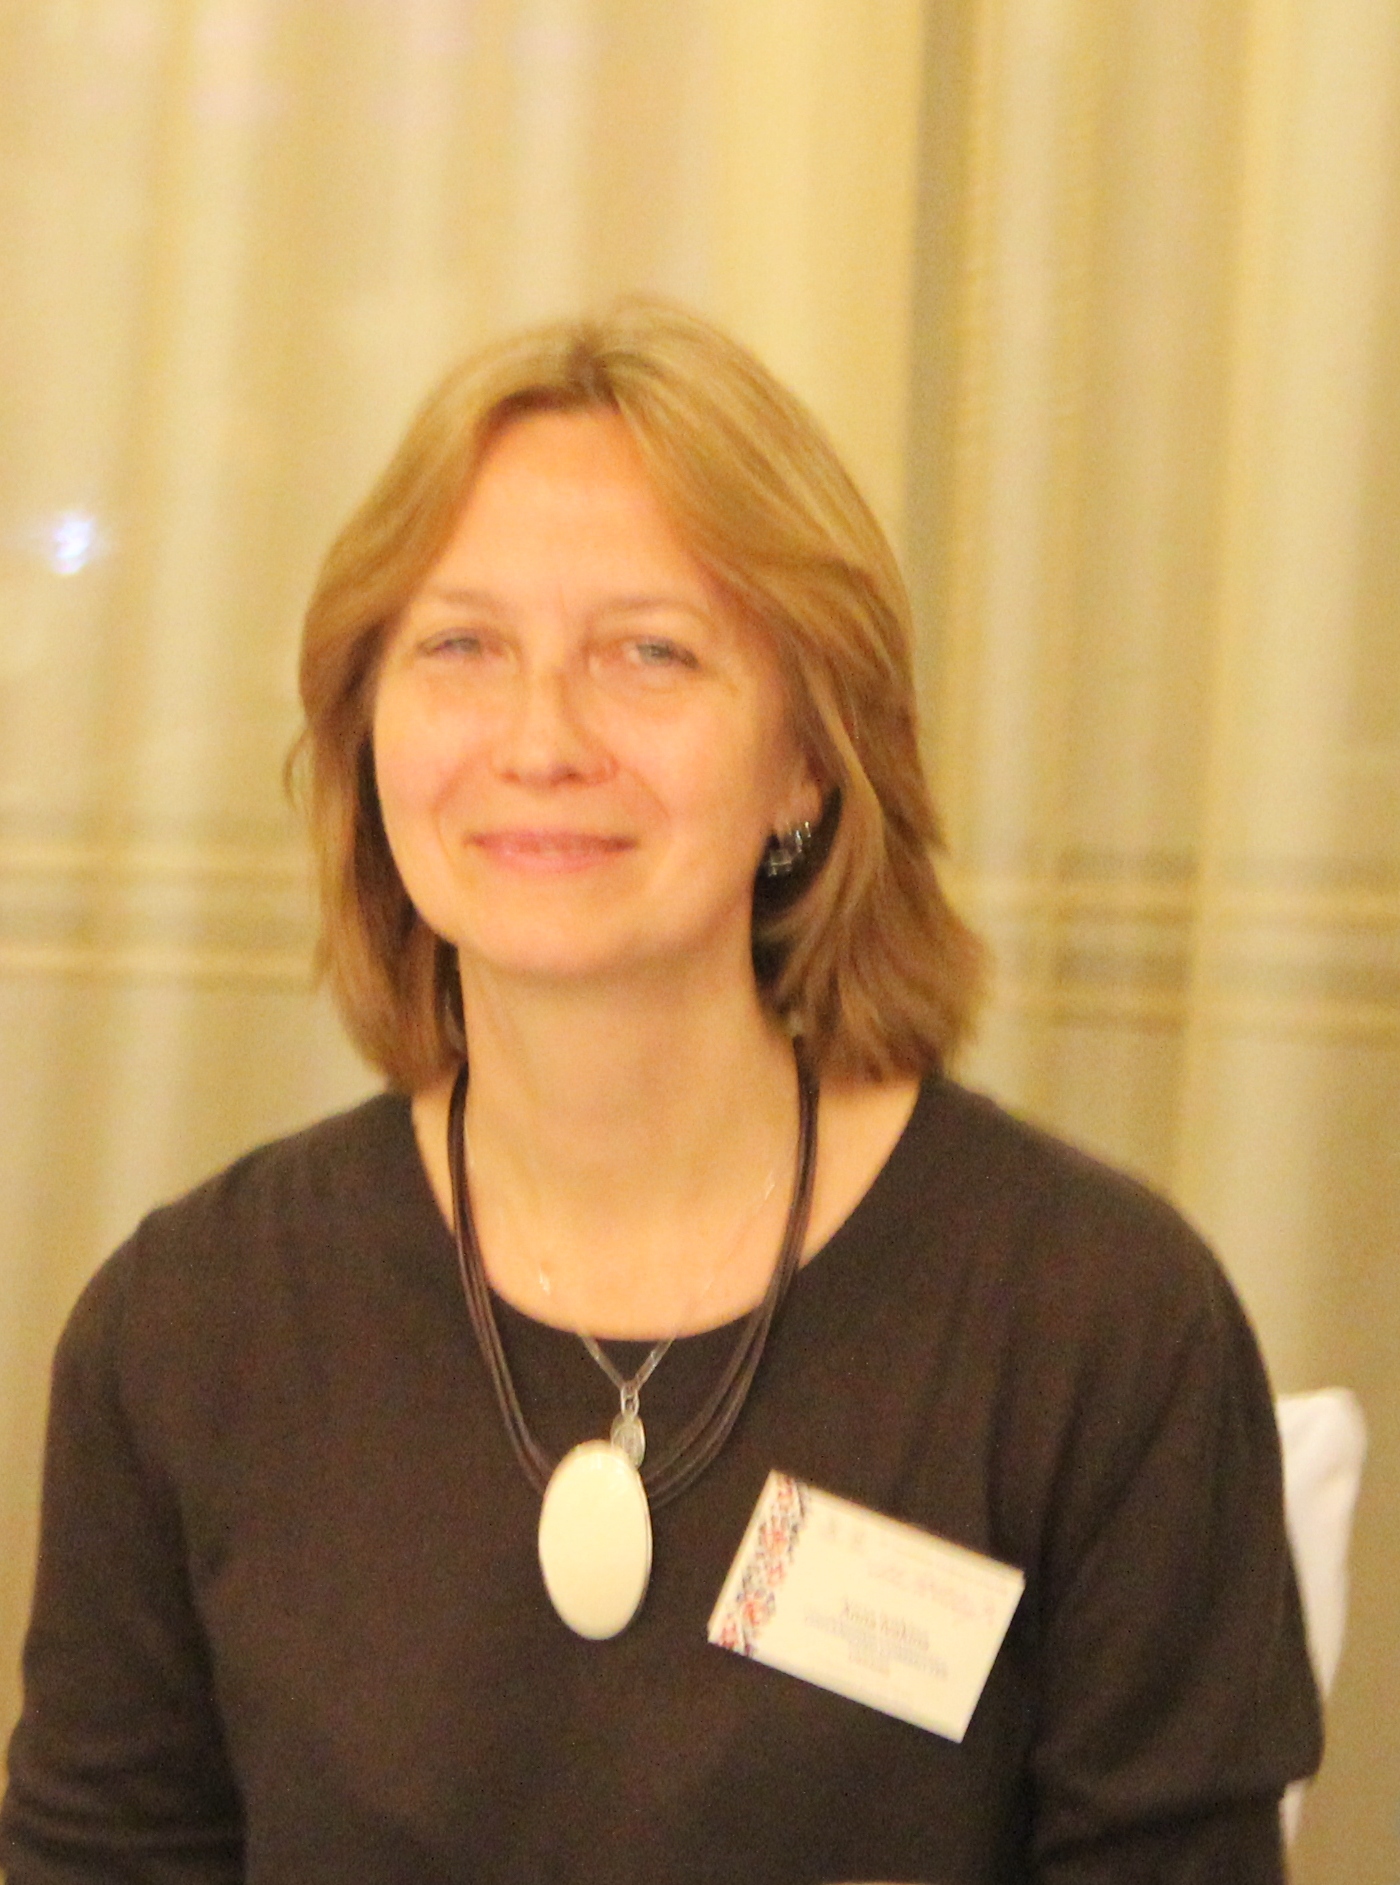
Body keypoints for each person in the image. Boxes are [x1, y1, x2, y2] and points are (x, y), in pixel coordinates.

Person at [0, 300, 1320, 1883]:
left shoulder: (1098, 1326)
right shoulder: (186, 1328)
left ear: (808, 758)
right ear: (367, 735)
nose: (541, 739)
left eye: (651, 652)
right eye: (462, 647)